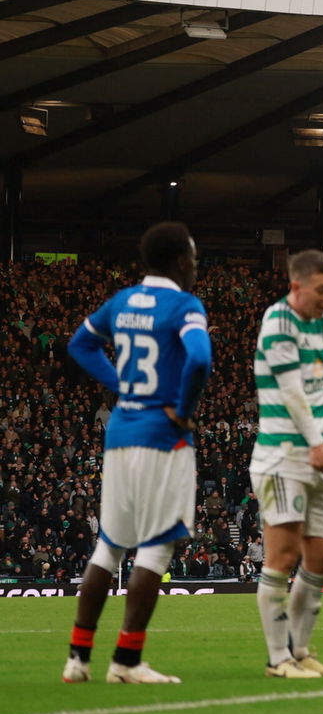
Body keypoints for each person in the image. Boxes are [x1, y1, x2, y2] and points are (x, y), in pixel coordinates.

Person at [62, 223, 212, 684]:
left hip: (121, 432)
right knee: (156, 548)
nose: (195, 263)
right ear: (179, 260)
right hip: (162, 437)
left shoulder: (121, 301)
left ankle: (77, 659)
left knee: (108, 546)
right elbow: (200, 358)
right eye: (193, 256)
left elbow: (80, 344)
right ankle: (126, 662)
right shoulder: (185, 305)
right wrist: (183, 412)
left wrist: (120, 386)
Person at [250, 249, 323, 679]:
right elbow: (292, 392)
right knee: (283, 554)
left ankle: (301, 649)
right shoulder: (277, 322)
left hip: (320, 455)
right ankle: (278, 659)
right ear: (296, 286)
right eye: (321, 289)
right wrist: (316, 442)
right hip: (281, 456)